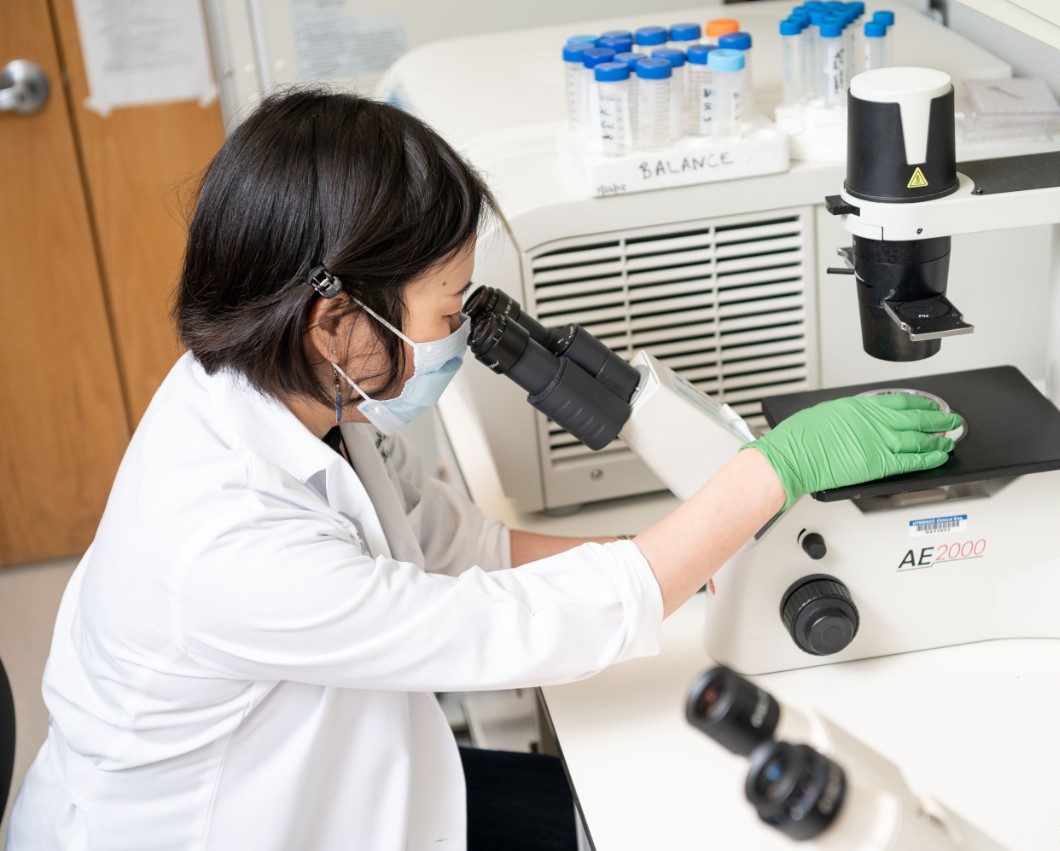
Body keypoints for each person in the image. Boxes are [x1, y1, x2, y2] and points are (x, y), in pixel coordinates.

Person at [5, 90, 960, 850]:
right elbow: (494, 627)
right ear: (338, 323)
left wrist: (684, 559)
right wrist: (772, 473)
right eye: (448, 305)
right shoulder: (223, 541)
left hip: (363, 782)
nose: (463, 331)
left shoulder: (309, 395)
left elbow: (466, 548)